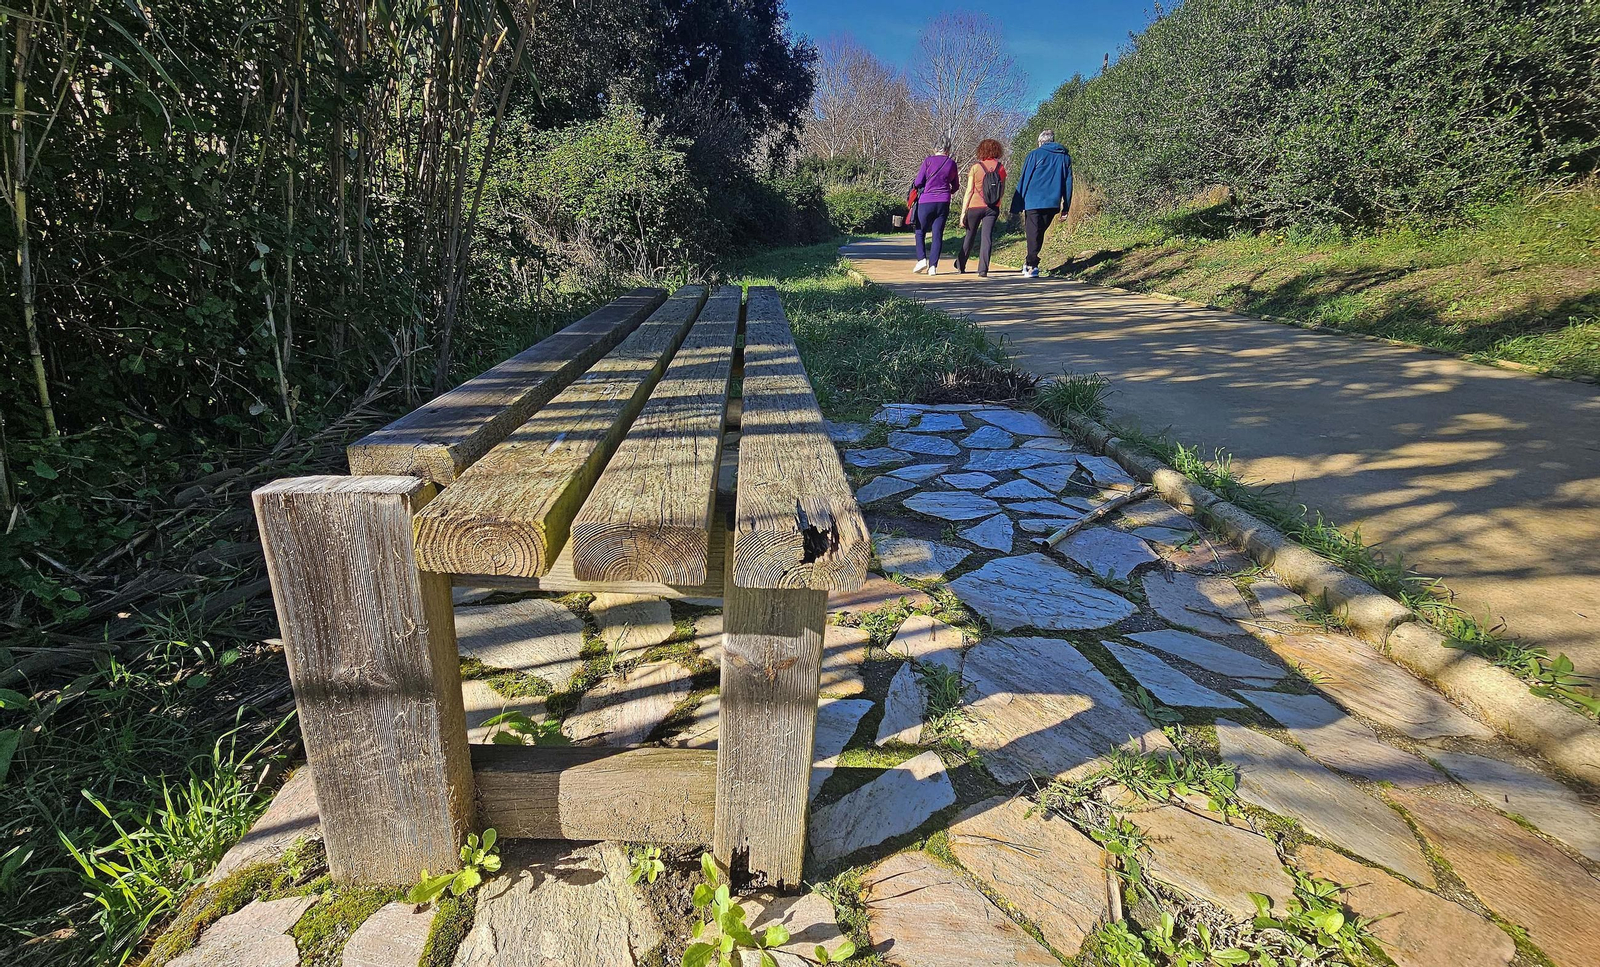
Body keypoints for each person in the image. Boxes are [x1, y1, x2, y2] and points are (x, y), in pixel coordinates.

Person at [1010, 129, 1073, 278]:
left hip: (1033, 201)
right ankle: (1030, 262)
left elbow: (1024, 178)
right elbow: (1068, 183)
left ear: (1040, 142)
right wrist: (1066, 206)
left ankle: (1032, 265)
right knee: (1038, 233)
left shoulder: (1034, 154)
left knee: (1033, 233)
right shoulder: (1065, 158)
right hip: (1052, 202)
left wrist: (1016, 203)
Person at [955, 138, 1006, 277]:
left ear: (981, 150)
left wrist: (963, 213)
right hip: (992, 207)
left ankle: (961, 264)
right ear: (997, 150)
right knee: (987, 238)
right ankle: (983, 269)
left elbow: (969, 191)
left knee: (969, 236)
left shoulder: (976, 167)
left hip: (974, 206)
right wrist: (996, 201)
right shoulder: (1000, 168)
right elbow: (1002, 190)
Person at [909, 140, 959, 275]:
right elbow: (956, 186)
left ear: (934, 148)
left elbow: (919, 182)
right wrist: (946, 192)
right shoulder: (952, 163)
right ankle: (933, 267)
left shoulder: (928, 161)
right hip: (944, 202)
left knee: (920, 231)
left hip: (926, 201)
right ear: (947, 150)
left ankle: (921, 260)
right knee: (937, 234)